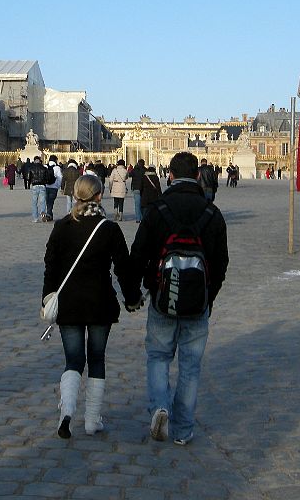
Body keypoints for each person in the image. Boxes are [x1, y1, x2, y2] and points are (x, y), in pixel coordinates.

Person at [129, 151, 228, 446]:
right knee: (191, 365)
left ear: (169, 175)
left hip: (162, 295)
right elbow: (221, 263)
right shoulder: (213, 213)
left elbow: (138, 255)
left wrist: (135, 293)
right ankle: (183, 431)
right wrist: (210, 296)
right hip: (198, 301)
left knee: (158, 356)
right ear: (198, 176)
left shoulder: (158, 209)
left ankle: (160, 406)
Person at [43, 174, 143, 439]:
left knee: (73, 360)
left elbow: (50, 266)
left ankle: (67, 412)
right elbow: (123, 269)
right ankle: (91, 420)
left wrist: (48, 296)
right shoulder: (108, 229)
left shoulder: (62, 226)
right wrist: (132, 298)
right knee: (97, 359)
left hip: (70, 304)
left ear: (76, 195)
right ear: (100, 196)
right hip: (100, 302)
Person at [27, 156, 48, 223]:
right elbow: (47, 177)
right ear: (40, 160)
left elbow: (28, 177)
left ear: (34, 160)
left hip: (35, 186)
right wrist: (45, 182)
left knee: (34, 203)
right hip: (42, 185)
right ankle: (43, 214)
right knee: (43, 202)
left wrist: (30, 183)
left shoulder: (31, 168)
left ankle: (35, 218)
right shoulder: (44, 168)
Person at [44, 155, 63, 222]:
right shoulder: (57, 168)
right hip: (54, 187)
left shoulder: (45, 166)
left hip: (46, 186)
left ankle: (49, 215)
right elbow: (60, 178)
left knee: (47, 201)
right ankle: (49, 214)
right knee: (51, 202)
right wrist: (58, 186)